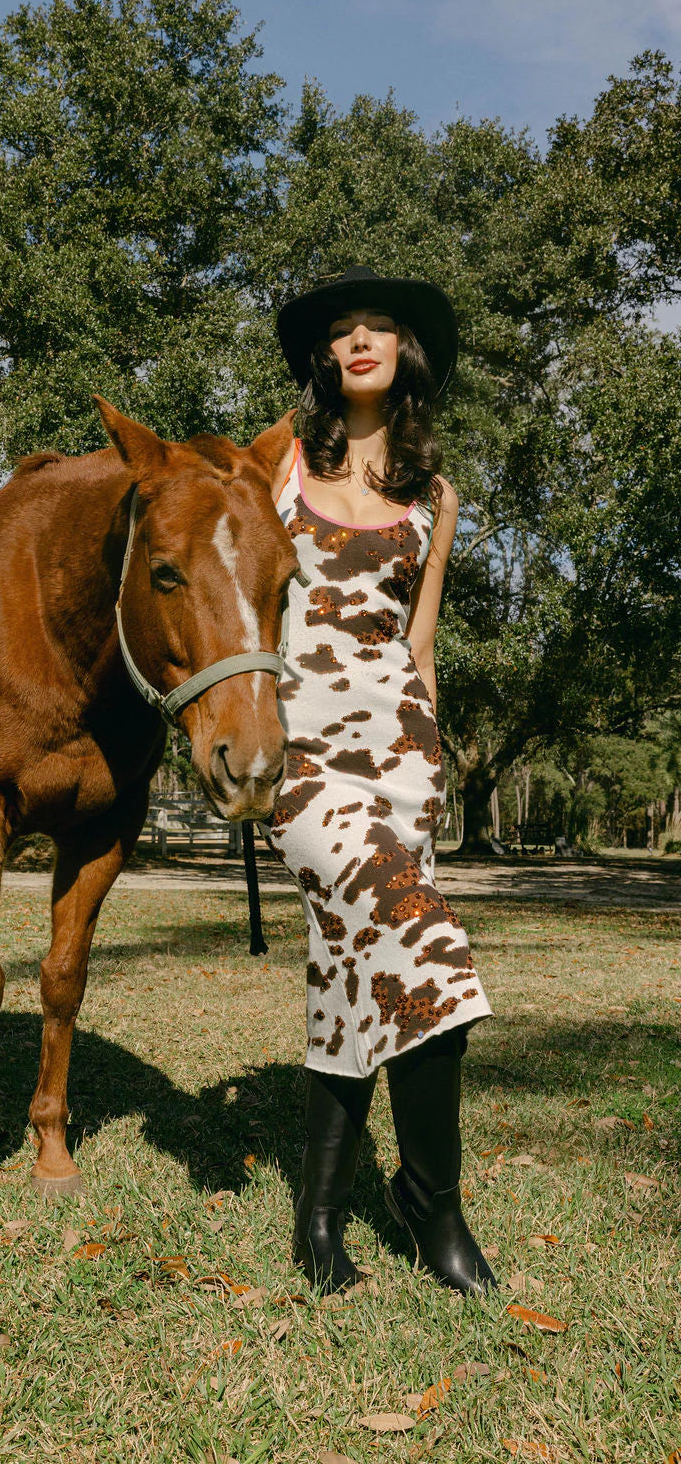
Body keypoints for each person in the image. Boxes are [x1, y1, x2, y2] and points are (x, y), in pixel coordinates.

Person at [266, 265, 497, 1297]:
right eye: (341, 331)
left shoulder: (433, 494)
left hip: (403, 762)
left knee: (349, 978)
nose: (359, 340)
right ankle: (429, 1201)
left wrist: (432, 762)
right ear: (322, 356)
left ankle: (318, 1221)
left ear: (406, 352)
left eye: (381, 328)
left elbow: (422, 642)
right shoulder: (275, 464)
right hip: (303, 758)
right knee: (430, 953)